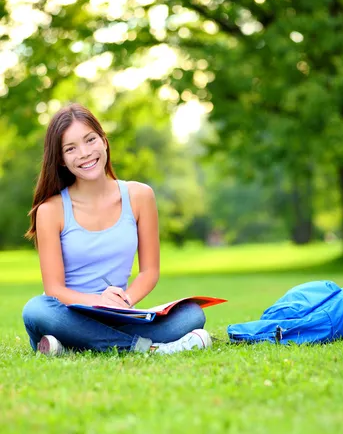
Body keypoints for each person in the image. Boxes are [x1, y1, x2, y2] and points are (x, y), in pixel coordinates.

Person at [22, 103, 212, 356]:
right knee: (36, 309)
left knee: (191, 314)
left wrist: (124, 302)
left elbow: (149, 271)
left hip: (120, 313)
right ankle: (145, 348)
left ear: (104, 141)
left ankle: (74, 347)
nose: (85, 153)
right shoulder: (50, 210)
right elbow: (55, 290)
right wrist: (99, 301)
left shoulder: (140, 196)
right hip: (67, 316)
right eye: (71, 148)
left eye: (90, 140)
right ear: (62, 160)